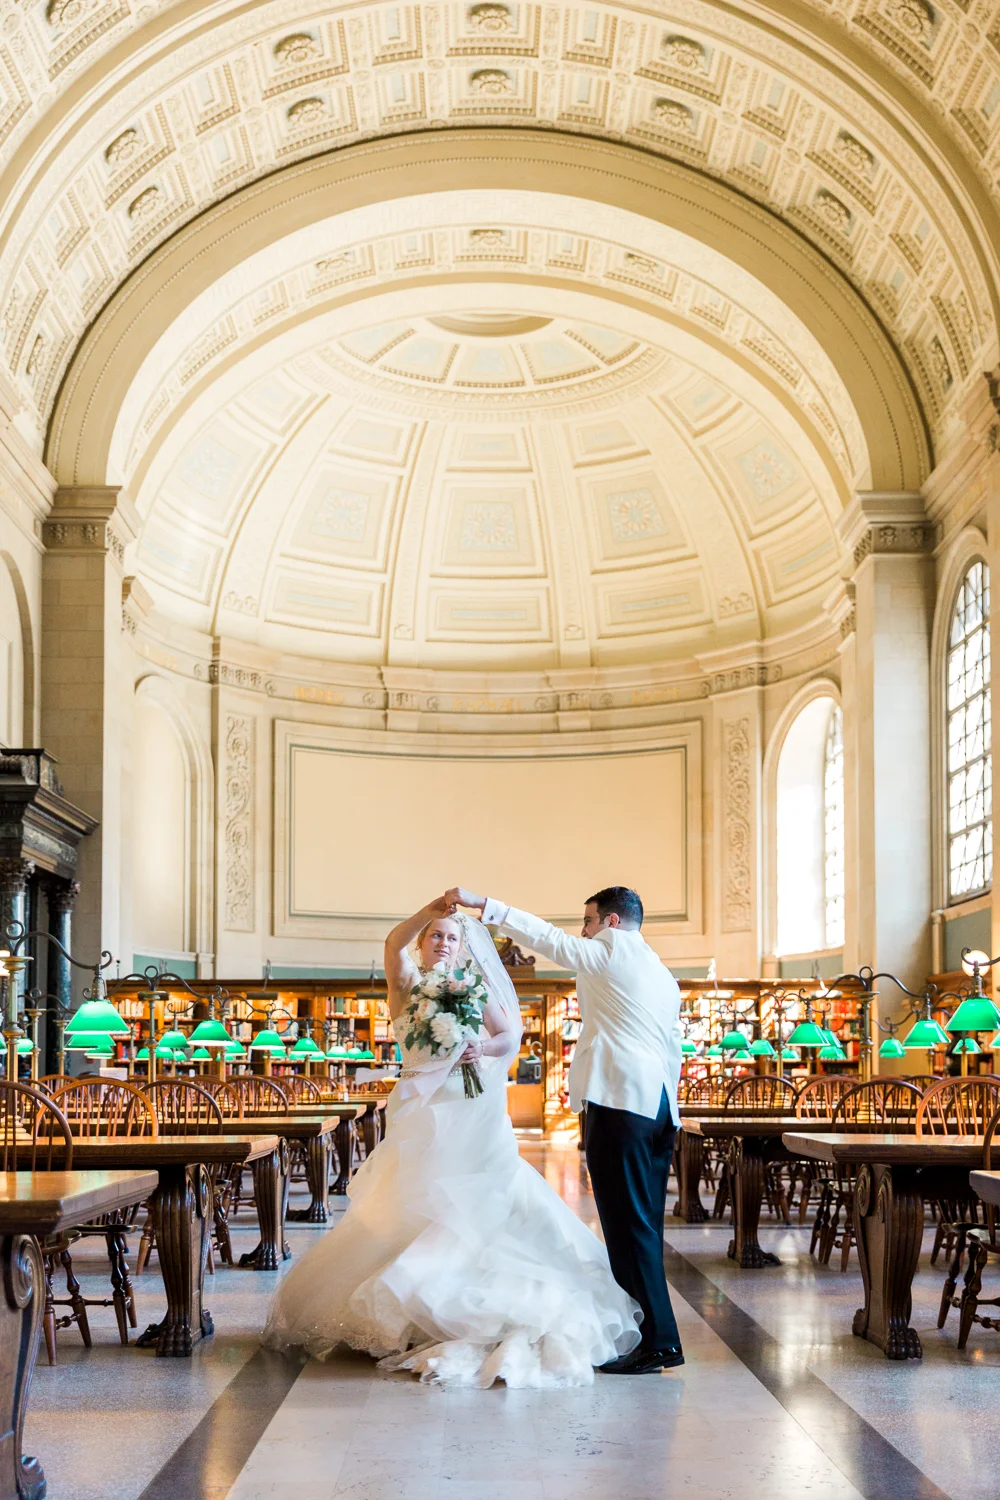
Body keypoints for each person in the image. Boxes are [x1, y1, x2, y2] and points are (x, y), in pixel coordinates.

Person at [263, 896, 641, 1388]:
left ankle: (466, 1301)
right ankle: (415, 1305)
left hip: (475, 1104)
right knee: (416, 1197)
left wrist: (480, 1047)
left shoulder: (471, 985)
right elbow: (393, 940)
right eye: (436, 935)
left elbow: (508, 1037)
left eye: (452, 937)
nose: (443, 943)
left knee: (486, 1197)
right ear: (422, 941)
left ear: (464, 947)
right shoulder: (405, 981)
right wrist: (432, 909)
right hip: (423, 1107)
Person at [446, 884, 684, 1373]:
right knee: (643, 1226)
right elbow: (674, 1047)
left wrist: (487, 907)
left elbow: (548, 939)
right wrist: (670, 1108)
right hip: (658, 1107)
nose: (584, 931)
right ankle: (646, 1332)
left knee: (628, 1225)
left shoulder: (611, 953)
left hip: (622, 1103)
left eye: (589, 921)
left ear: (612, 923)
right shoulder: (661, 972)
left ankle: (659, 1341)